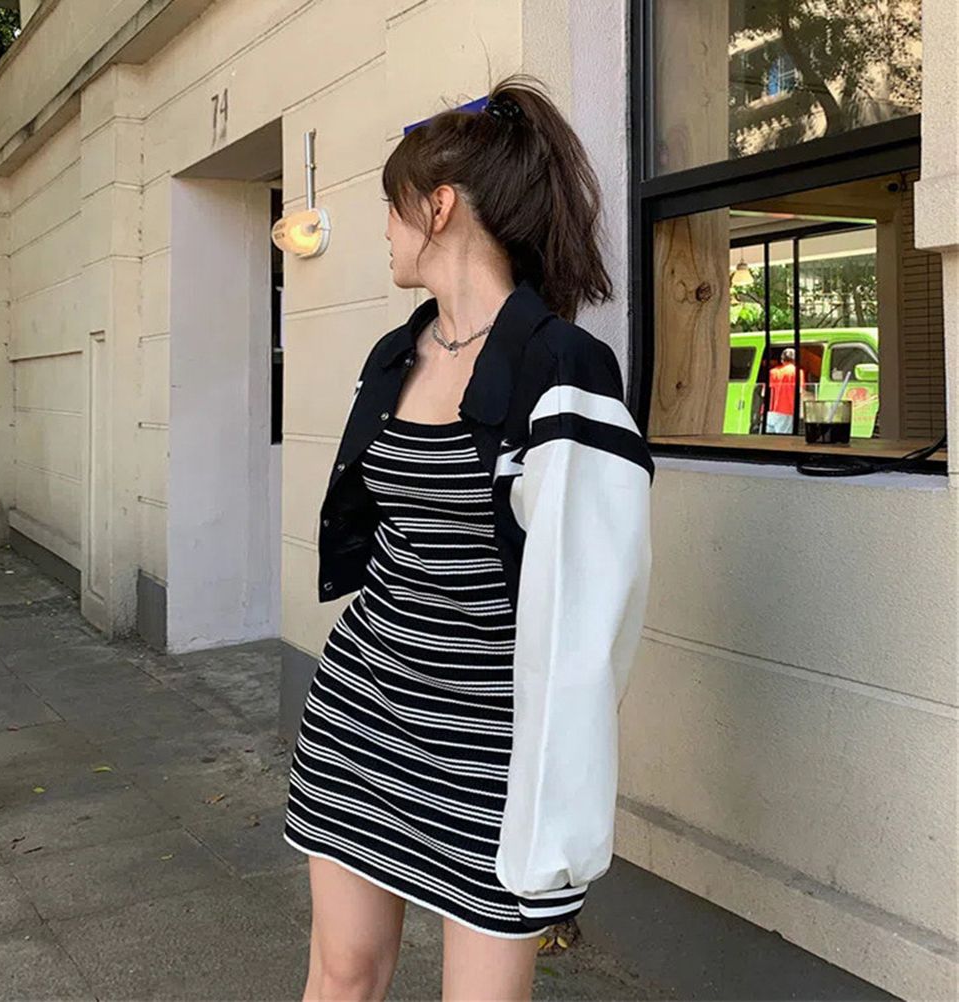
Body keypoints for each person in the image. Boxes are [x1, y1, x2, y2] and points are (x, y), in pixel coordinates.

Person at [283, 76, 654, 1002]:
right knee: (341, 973)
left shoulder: (562, 367)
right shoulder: (392, 356)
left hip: (489, 744)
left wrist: (563, 786)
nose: (384, 229)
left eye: (393, 206)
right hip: (362, 710)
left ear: (438, 206)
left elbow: (592, 602)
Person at [766, 347, 807, 433]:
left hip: (770, 411)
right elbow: (801, 392)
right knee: (783, 438)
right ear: (795, 360)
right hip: (787, 411)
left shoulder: (772, 372)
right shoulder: (798, 372)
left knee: (768, 438)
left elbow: (764, 393)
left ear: (782, 360)